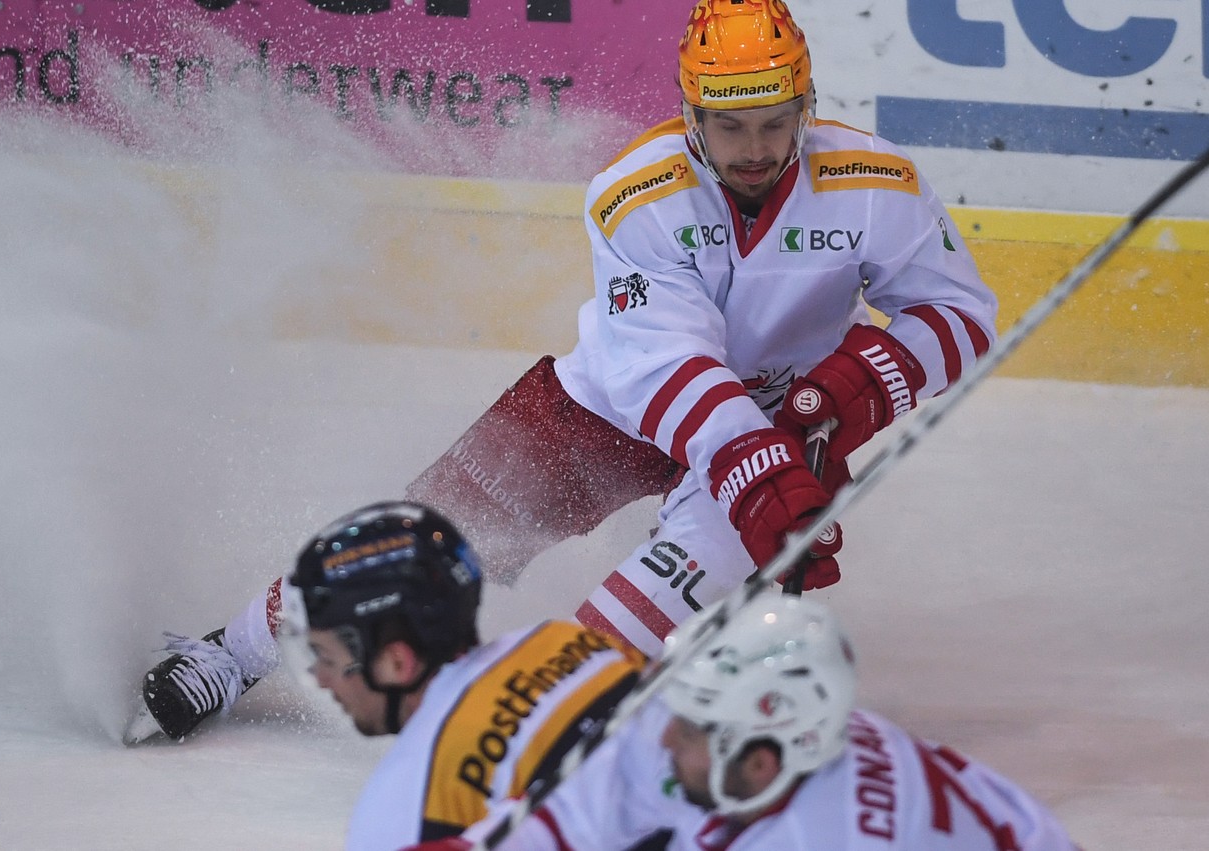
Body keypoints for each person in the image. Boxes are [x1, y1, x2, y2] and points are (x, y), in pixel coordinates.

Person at [404, 0, 998, 656]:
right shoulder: (636, 191)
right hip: (612, 408)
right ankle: (264, 645)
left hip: (774, 428)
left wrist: (849, 394)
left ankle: (546, 721)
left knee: (607, 645)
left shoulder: (875, 183)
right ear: (692, 116)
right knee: (408, 561)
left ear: (807, 107)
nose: (755, 150)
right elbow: (667, 361)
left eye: (776, 123)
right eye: (730, 126)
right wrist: (756, 471)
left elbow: (959, 314)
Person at [126, 501, 655, 850]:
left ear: (398, 663)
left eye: (328, 659)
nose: (322, 680)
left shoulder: (402, 808)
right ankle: (235, 653)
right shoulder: (569, 643)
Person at [463, 593, 1078, 851]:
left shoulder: (819, 838)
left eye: (695, 728)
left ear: (761, 761)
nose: (668, 737)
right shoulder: (797, 754)